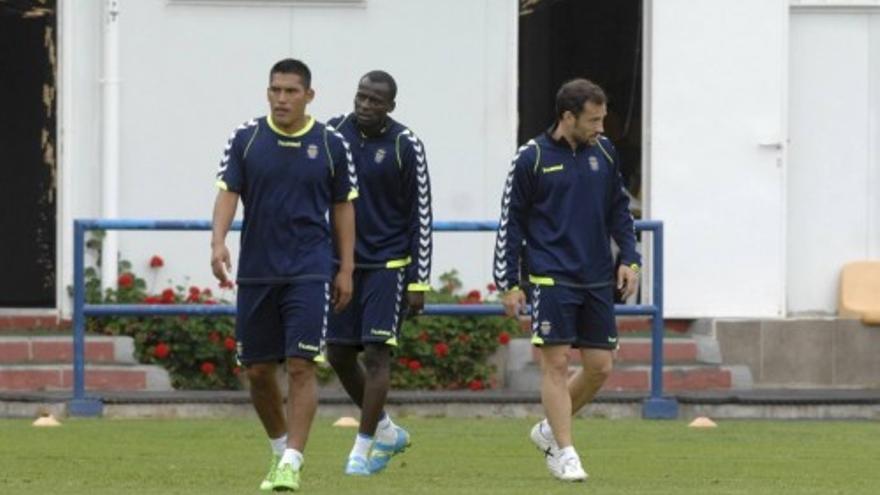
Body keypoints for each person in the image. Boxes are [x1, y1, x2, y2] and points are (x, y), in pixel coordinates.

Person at [211, 58, 357, 492]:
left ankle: (293, 460)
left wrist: (345, 267)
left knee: (301, 364)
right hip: (257, 270)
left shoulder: (330, 143)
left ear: (309, 96)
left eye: (291, 91)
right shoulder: (246, 138)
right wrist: (217, 241)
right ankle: (280, 451)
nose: (282, 99)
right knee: (257, 371)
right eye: (275, 90)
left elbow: (343, 206)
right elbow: (228, 192)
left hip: (310, 269)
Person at [492, 78, 640, 482]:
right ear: (567, 117)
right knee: (555, 364)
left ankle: (548, 430)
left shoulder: (605, 152)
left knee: (600, 367)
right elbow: (512, 223)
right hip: (549, 276)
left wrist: (629, 257)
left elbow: (619, 211)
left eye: (602, 119)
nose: (601, 128)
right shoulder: (532, 157)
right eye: (593, 120)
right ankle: (566, 450)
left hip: (595, 277)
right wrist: (509, 281)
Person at [325, 70, 432, 476]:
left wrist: (419, 280)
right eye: (361, 97)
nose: (365, 105)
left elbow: (420, 214)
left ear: (390, 106)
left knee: (376, 354)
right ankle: (386, 430)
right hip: (344, 266)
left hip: (389, 266)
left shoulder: (406, 145)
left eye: (375, 100)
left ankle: (361, 449)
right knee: (337, 353)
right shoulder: (334, 132)